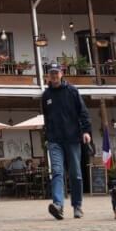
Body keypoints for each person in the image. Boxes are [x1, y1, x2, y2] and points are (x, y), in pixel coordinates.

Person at [42, 63, 92, 220]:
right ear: (48, 76)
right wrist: (47, 136)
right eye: (51, 73)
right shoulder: (46, 96)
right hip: (54, 140)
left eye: (56, 73)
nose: (54, 76)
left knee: (75, 173)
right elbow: (46, 118)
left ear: (62, 74)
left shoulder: (72, 91)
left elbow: (83, 112)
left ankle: (77, 206)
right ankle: (58, 205)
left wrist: (86, 131)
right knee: (57, 171)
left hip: (72, 139)